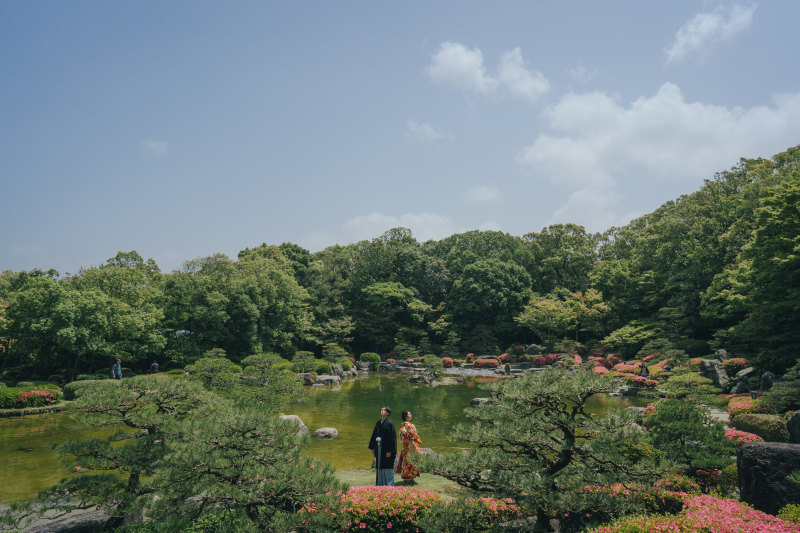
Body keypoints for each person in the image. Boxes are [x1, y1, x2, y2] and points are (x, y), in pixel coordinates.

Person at [368, 406, 397, 486]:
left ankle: (389, 484)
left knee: (387, 465)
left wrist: (390, 451)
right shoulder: (378, 423)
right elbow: (374, 435)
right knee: (380, 465)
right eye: (381, 410)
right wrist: (373, 447)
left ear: (388, 413)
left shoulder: (390, 424)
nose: (382, 411)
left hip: (386, 448)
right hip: (379, 447)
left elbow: (392, 438)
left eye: (384, 410)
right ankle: (380, 484)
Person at [395, 410, 421, 481]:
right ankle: (410, 477)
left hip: (405, 446)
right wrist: (418, 440)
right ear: (405, 416)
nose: (411, 415)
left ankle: (405, 477)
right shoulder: (409, 425)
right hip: (411, 446)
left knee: (405, 461)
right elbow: (413, 435)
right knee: (412, 461)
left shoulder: (403, 426)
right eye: (409, 414)